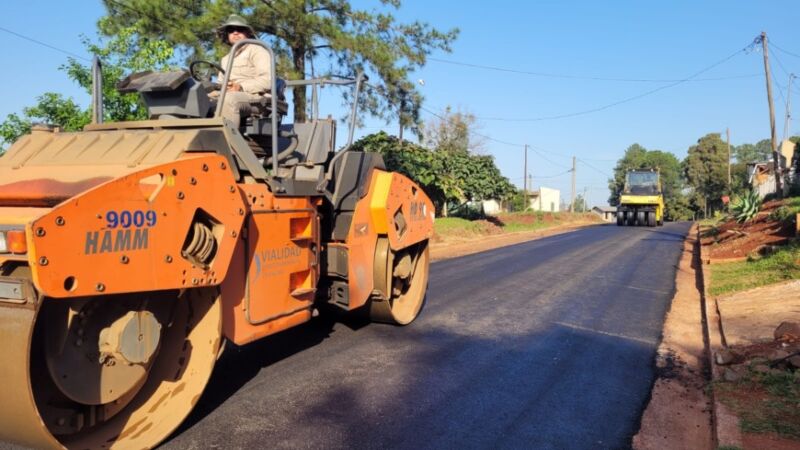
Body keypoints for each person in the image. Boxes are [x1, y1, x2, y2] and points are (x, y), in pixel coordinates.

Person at [215, 15, 272, 126]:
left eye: (240, 29)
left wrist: (240, 87)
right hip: (229, 95)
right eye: (231, 30)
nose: (235, 32)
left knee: (229, 100)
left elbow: (267, 80)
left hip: (257, 99)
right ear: (227, 34)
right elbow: (220, 83)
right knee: (197, 98)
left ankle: (227, 142)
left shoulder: (258, 51)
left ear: (248, 32)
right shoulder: (225, 59)